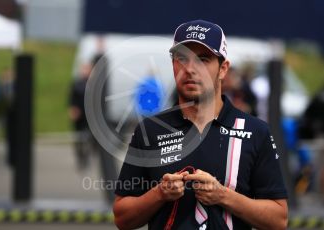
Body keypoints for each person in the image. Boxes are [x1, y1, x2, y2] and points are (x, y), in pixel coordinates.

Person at [113, 20, 288, 230]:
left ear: (223, 69)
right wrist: (158, 194)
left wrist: (223, 196)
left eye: (203, 59)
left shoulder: (255, 131)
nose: (190, 69)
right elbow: (122, 218)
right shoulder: (150, 130)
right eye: (182, 58)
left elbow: (278, 220)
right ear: (173, 65)